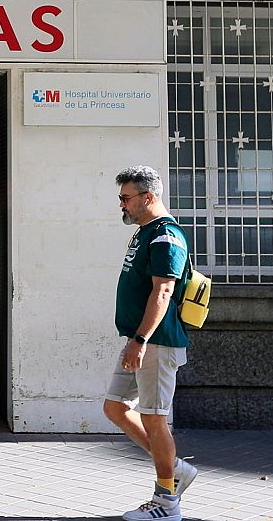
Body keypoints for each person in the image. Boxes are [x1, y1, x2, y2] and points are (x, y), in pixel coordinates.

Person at [103, 165, 197, 521]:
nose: (122, 205)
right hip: (139, 340)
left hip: (154, 342)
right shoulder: (146, 232)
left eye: (126, 198)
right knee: (115, 407)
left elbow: (164, 290)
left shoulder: (165, 236)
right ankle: (174, 469)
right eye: (121, 198)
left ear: (148, 197)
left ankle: (167, 501)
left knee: (155, 418)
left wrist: (140, 340)